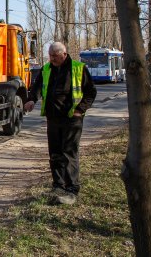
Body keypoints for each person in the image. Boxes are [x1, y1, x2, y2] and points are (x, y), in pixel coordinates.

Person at [24, 42, 97, 205]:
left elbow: (91, 92)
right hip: (53, 118)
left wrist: (80, 109)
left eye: (55, 56)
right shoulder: (47, 69)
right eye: (50, 56)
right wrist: (31, 100)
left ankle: (72, 189)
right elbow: (36, 87)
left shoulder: (78, 68)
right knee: (55, 153)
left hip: (72, 119)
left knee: (69, 153)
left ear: (64, 54)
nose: (51, 59)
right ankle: (58, 185)